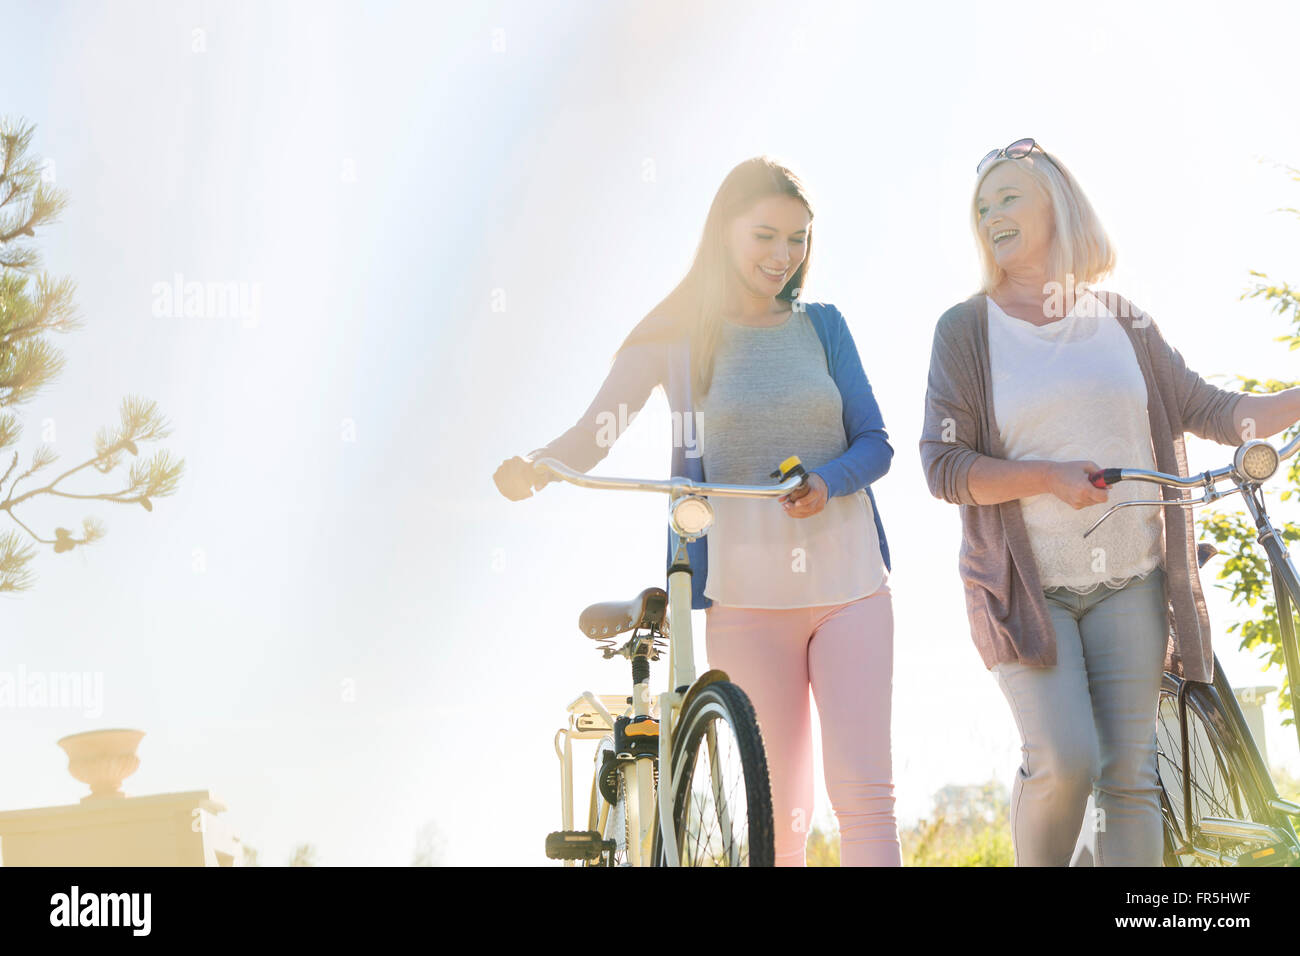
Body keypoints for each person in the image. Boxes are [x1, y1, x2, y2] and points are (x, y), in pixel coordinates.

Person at [494, 156, 901, 865]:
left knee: (865, 800)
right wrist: (538, 466)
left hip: (850, 584)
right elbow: (597, 431)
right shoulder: (677, 337)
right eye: (765, 236)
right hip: (745, 596)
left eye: (798, 239)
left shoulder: (824, 327)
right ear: (723, 233)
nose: (784, 256)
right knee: (782, 817)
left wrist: (827, 481)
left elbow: (875, 443)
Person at [919, 137, 1300, 865]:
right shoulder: (965, 331)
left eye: (1009, 198)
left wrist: (1295, 399)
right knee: (1065, 760)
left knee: (1132, 774)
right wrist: (1047, 476)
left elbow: (1211, 410)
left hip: (1133, 579)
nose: (992, 214)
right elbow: (943, 464)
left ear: (1056, 207)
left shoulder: (1123, 319)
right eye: (982, 205)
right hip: (1031, 592)